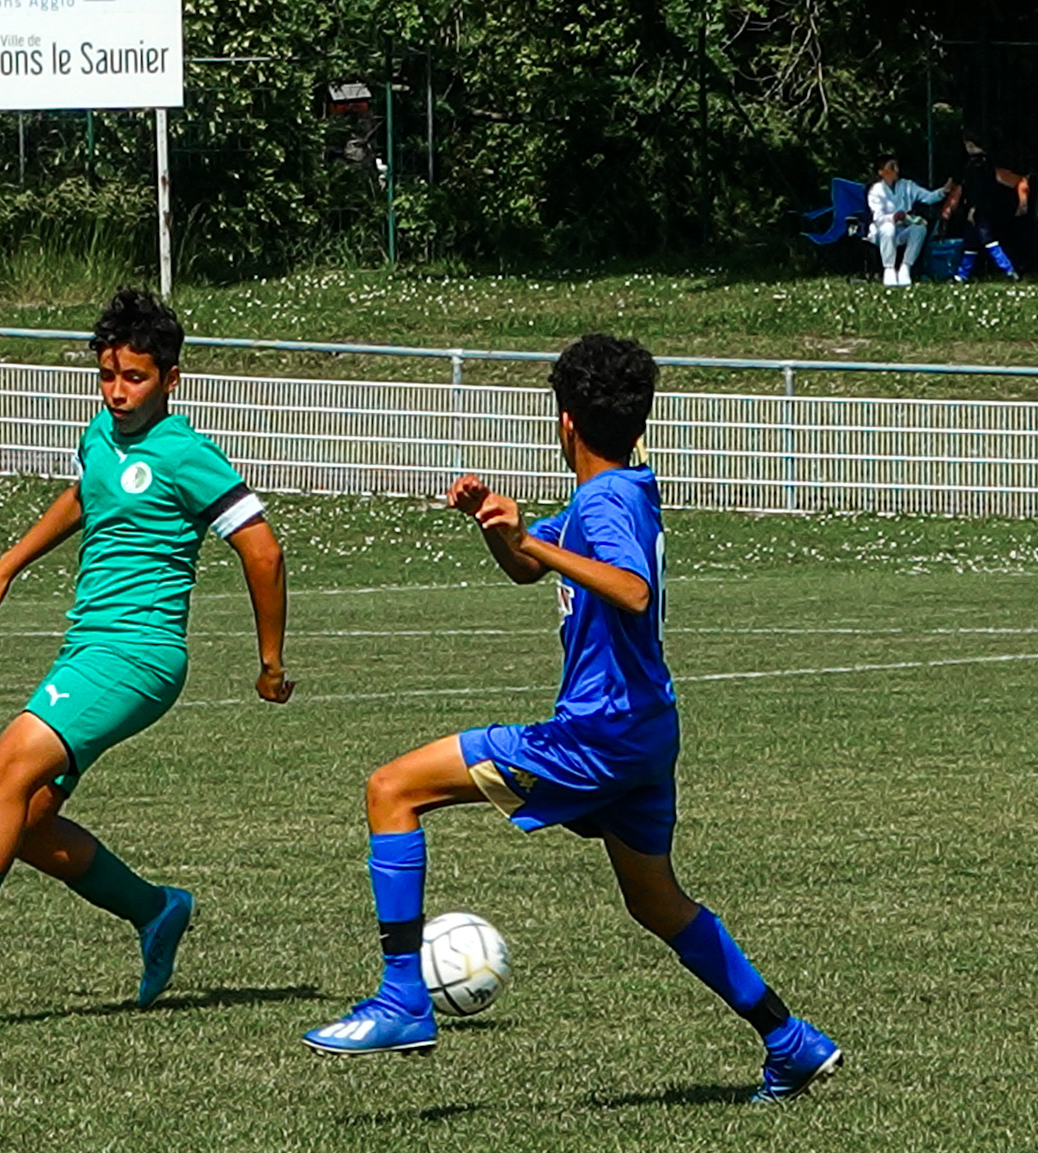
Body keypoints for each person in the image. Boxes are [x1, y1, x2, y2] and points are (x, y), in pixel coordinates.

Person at [302, 335, 842, 1105]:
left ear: (563, 424)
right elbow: (533, 564)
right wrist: (501, 534)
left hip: (597, 735)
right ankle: (790, 1042)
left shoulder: (607, 502)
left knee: (392, 790)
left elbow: (630, 589)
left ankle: (401, 1000)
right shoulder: (623, 487)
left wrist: (536, 545)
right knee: (655, 900)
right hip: (644, 732)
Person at [0, 287, 295, 1010]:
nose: (117, 393)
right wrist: (6, 565)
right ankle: (156, 910)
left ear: (171, 381)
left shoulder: (185, 453)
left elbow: (261, 550)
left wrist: (269, 662)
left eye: (135, 378)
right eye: (108, 376)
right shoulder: (101, 433)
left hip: (137, 654)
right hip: (88, 645)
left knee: (0, 775)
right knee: (21, 823)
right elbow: (85, 497)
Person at [947, 132, 1028, 283]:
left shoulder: (975, 165)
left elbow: (977, 189)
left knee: (987, 240)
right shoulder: (988, 164)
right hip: (986, 207)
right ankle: (962, 274)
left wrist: (972, 208)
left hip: (979, 209)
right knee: (971, 242)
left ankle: (1009, 269)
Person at [868, 154, 951, 287]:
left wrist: (944, 191)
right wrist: (893, 217)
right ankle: (888, 270)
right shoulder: (876, 190)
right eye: (891, 167)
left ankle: (905, 268)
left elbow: (928, 197)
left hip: (902, 230)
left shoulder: (907, 186)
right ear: (881, 172)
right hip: (881, 233)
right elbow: (878, 218)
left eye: (896, 166)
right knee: (888, 227)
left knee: (919, 228)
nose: (896, 170)